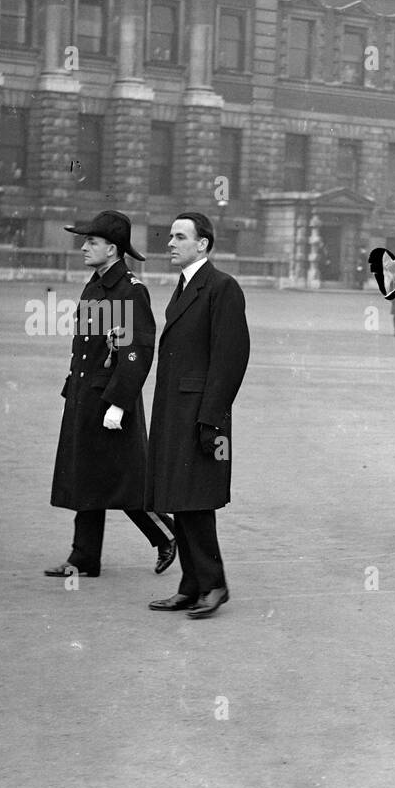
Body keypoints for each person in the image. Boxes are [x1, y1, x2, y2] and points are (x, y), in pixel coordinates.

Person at [46, 211, 176, 579]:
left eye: (92, 242)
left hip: (111, 401)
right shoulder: (97, 284)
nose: (84, 246)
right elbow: (88, 346)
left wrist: (118, 403)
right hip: (87, 397)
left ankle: (168, 535)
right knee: (87, 477)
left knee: (126, 479)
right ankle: (84, 557)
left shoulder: (130, 290)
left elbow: (137, 351)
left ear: (113, 249)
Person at [146, 211, 250, 619]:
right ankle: (191, 586)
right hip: (176, 411)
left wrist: (212, 419)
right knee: (180, 497)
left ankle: (214, 584)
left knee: (197, 501)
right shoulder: (186, 285)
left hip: (200, 415)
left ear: (202, 243)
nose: (169, 243)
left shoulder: (222, 287)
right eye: (170, 236)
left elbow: (231, 359)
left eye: (179, 236)